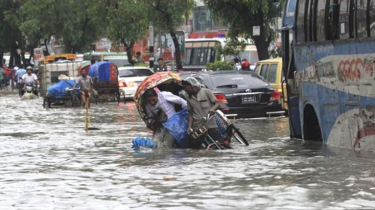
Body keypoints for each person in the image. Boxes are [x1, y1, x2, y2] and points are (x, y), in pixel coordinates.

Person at [182, 77, 227, 148]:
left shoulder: (206, 92)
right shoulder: (188, 97)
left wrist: (212, 109)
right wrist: (189, 127)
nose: (185, 89)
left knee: (220, 143)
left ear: (191, 86)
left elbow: (217, 103)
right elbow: (190, 113)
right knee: (192, 146)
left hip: (210, 123)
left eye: (186, 87)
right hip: (198, 126)